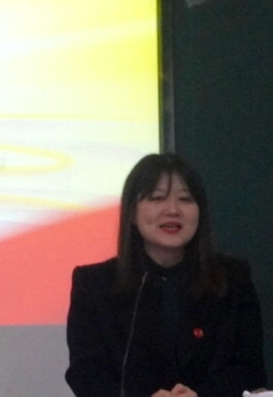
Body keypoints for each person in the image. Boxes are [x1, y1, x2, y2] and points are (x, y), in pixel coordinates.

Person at [65, 153, 267, 397]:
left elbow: (249, 369)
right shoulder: (94, 284)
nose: (172, 210)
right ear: (132, 213)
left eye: (185, 199)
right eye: (157, 198)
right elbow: (86, 374)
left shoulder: (232, 278)